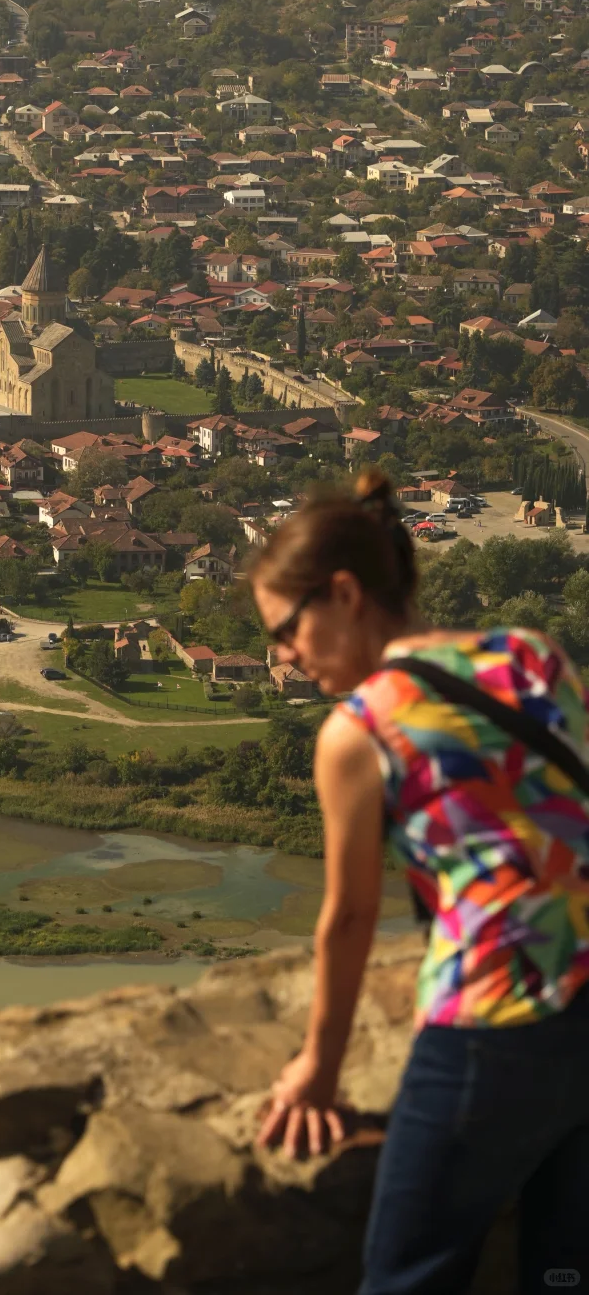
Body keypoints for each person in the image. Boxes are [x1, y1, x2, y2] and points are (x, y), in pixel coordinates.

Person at [248, 473, 589, 1294]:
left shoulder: (360, 728)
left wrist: (319, 1072)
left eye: (287, 630)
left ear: (344, 593)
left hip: (495, 1020)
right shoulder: (530, 654)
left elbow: (351, 916)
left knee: (407, 1275)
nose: (283, 656)